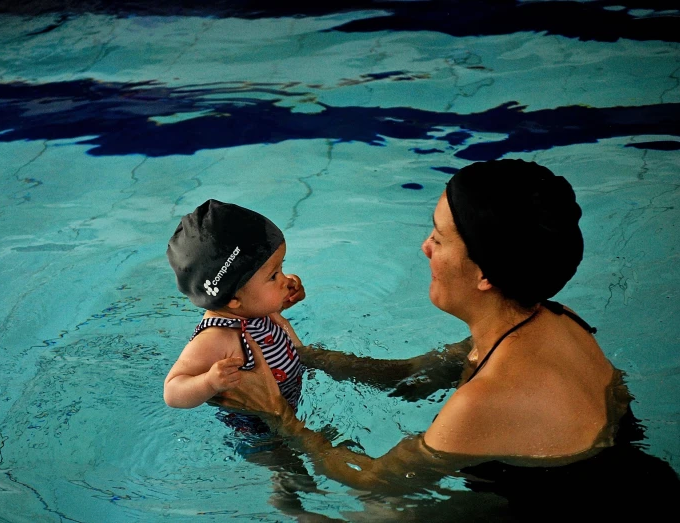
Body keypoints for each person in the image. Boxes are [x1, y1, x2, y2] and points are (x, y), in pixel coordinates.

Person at [213, 160, 680, 520]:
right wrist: (302, 356)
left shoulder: (487, 400)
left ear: (483, 275)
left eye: (439, 237)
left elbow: (375, 480)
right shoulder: (554, 320)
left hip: (577, 513)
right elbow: (411, 379)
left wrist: (277, 415)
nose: (425, 248)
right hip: (641, 484)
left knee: (378, 515)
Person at [164, 199, 307, 415]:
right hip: (259, 430)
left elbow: (260, 315)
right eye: (273, 275)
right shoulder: (218, 337)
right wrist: (209, 383)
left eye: (282, 267)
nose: (284, 279)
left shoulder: (248, 309)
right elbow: (172, 391)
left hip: (291, 400)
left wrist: (285, 297)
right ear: (233, 299)